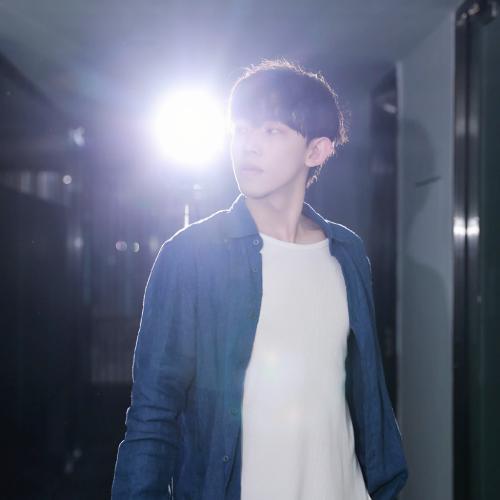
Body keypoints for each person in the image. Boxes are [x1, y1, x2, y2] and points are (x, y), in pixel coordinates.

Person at [111, 59, 408, 500]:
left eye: (271, 131)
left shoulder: (346, 253)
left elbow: (366, 394)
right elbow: (153, 415)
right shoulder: (191, 256)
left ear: (316, 151)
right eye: (241, 129)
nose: (249, 145)